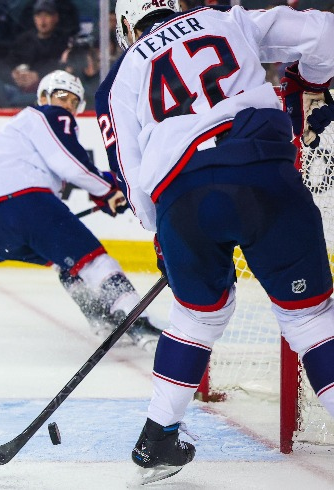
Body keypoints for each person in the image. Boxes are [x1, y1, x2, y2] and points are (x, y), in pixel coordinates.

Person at [96, 1, 334, 483]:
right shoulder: (228, 19)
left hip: (182, 197)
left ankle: (157, 436)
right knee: (308, 317)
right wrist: (311, 81)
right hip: (261, 171)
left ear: (127, 24)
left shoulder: (119, 79)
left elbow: (130, 169)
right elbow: (323, 31)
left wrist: (160, 233)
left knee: (196, 315)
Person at [0, 69, 163, 351]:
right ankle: (138, 320)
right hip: (22, 202)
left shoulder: (14, 130)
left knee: (67, 260)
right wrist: (108, 190)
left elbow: (65, 172)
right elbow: (71, 164)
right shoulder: (47, 115)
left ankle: (101, 317)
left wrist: (104, 190)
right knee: (95, 260)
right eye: (62, 97)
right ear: (44, 97)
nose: (68, 107)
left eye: (74, 102)